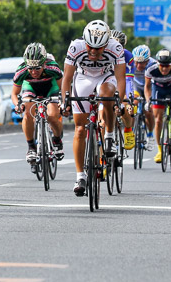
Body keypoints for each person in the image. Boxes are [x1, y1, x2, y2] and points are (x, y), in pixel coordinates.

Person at [61, 19, 126, 197]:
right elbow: (67, 78)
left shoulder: (116, 48)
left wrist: (120, 101)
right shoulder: (76, 47)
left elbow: (120, 79)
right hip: (83, 79)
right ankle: (80, 176)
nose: (92, 51)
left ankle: (110, 135)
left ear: (106, 44)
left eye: (98, 48)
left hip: (106, 77)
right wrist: (65, 101)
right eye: (90, 47)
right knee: (80, 129)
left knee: (106, 95)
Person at [11, 42, 64, 170]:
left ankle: (57, 139)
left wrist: (63, 101)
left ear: (44, 63)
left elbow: (63, 88)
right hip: (31, 88)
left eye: (37, 68)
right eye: (31, 68)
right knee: (28, 113)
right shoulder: (21, 70)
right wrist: (18, 105)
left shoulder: (52, 67)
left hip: (51, 88)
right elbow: (14, 93)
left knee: (52, 116)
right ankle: (31, 147)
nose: (34, 72)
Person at [144, 48, 171, 164]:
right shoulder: (151, 69)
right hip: (158, 89)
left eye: (167, 66)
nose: (164, 69)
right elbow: (147, 87)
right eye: (161, 66)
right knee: (158, 120)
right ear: (157, 64)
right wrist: (148, 101)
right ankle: (160, 150)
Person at [110, 30, 136, 151]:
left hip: (122, 82)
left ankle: (128, 130)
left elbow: (129, 80)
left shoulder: (127, 56)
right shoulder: (102, 53)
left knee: (123, 107)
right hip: (107, 82)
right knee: (102, 121)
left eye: (119, 47)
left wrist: (129, 100)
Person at [132, 45, 157, 150]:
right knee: (133, 104)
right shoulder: (130, 63)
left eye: (141, 63)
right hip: (136, 85)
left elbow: (156, 83)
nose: (138, 65)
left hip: (150, 86)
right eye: (136, 62)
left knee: (149, 110)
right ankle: (131, 132)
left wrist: (150, 100)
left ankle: (150, 135)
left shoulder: (154, 65)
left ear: (147, 60)